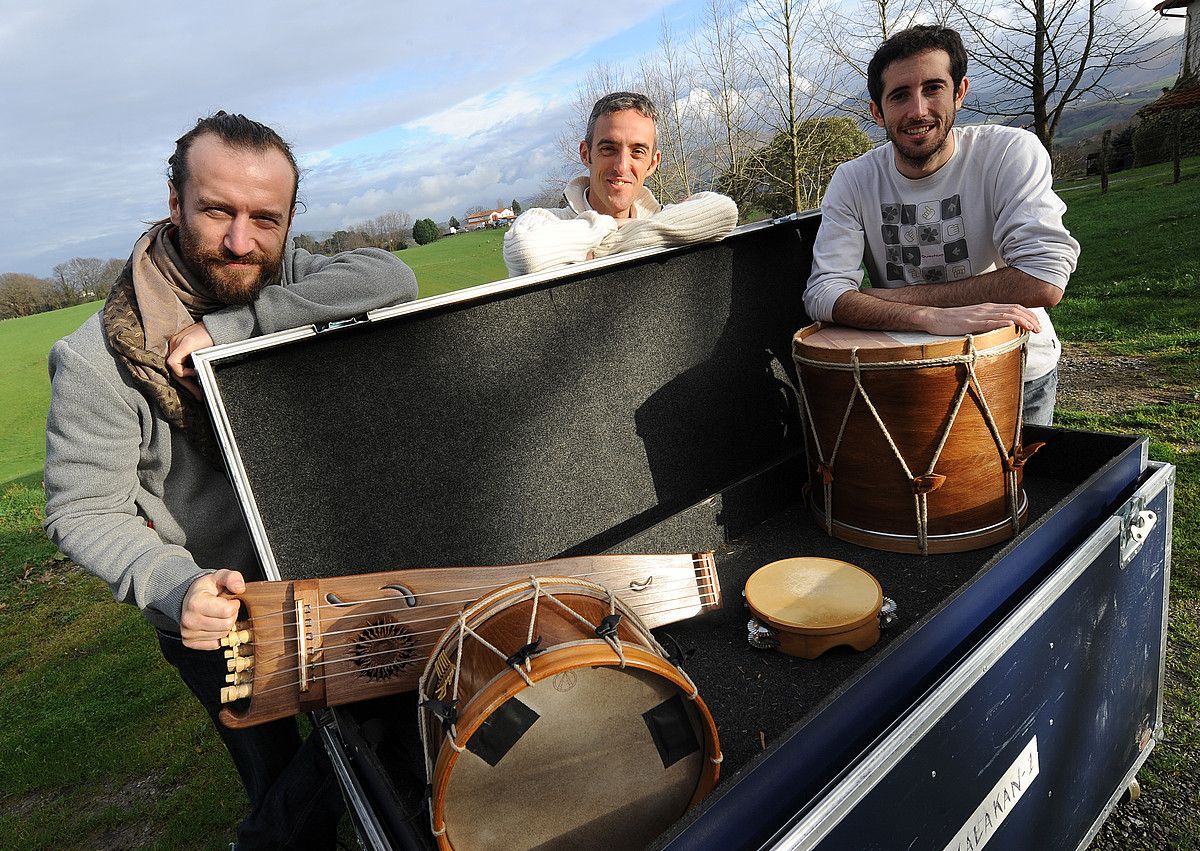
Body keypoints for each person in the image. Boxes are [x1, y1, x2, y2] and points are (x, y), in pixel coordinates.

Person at [43, 111, 418, 849]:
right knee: (278, 778)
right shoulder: (96, 360)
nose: (242, 240)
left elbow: (392, 275)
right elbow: (83, 507)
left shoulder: (286, 278)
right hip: (222, 615)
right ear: (175, 200)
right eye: (217, 210)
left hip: (328, 584)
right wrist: (174, 585)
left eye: (265, 218)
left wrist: (235, 328)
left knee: (390, 731)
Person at [803, 26, 1080, 425]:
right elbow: (823, 295)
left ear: (959, 92)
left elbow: (1044, 280)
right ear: (877, 111)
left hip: (1013, 366)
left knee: (1021, 488)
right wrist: (930, 317)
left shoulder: (1008, 152)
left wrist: (880, 298)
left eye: (933, 88)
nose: (918, 110)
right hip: (907, 373)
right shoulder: (853, 180)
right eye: (899, 95)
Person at [503, 91, 739, 277]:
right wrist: (607, 227)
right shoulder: (548, 222)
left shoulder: (660, 216)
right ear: (586, 154)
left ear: (652, 163)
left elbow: (724, 212)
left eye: (637, 151)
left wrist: (606, 243)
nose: (622, 166)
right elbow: (524, 252)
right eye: (608, 149)